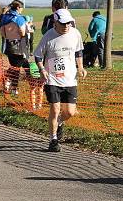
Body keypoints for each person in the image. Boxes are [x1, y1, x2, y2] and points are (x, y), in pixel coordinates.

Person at [34, 8, 87, 152]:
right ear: (55, 23)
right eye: (63, 24)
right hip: (52, 78)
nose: (66, 26)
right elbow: (38, 55)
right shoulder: (48, 36)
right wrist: (42, 70)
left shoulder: (75, 33)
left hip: (70, 78)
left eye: (69, 23)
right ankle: (53, 140)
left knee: (69, 112)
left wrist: (80, 67)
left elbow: (78, 51)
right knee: (55, 108)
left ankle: (59, 123)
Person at [0, 0, 30, 95]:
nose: (22, 9)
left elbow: (2, 32)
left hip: (8, 45)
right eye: (21, 8)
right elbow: (22, 32)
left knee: (17, 65)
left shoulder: (4, 18)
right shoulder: (19, 18)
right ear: (18, 8)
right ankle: (13, 87)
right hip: (19, 45)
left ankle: (8, 82)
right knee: (16, 68)